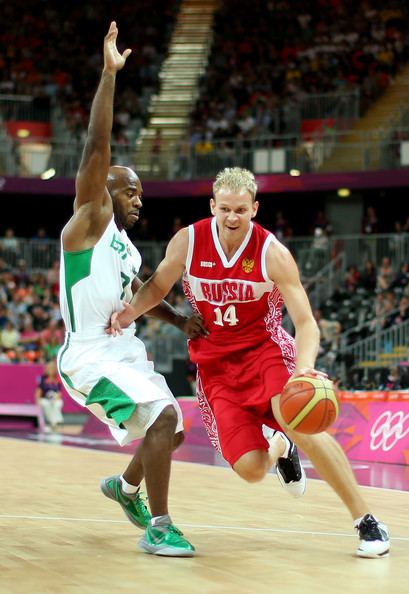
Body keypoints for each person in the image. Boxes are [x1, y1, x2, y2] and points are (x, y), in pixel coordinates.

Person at [109, 167, 390, 559]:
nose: (232, 217)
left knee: (302, 421)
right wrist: (128, 313)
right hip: (216, 368)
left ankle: (366, 521)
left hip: (265, 353)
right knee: (252, 469)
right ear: (213, 206)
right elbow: (157, 285)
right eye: (225, 208)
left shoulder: (272, 253)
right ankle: (280, 448)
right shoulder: (188, 241)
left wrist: (303, 369)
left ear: (254, 208)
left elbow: (307, 323)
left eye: (241, 209)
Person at [57, 22, 207, 557]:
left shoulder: (126, 246)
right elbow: (96, 149)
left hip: (122, 347)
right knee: (163, 420)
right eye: (131, 190)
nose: (139, 199)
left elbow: (142, 291)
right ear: (107, 192)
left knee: (172, 429)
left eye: (142, 192)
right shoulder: (90, 220)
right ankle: (161, 526)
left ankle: (124, 489)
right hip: (89, 357)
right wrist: (108, 76)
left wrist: (180, 318)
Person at [35, 360, 64, 432]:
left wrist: (55, 398)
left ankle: (53, 423)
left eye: (51, 368)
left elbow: (59, 393)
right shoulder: (42, 378)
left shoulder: (57, 379)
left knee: (58, 403)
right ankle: (55, 422)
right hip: (44, 399)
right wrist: (37, 402)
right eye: (48, 368)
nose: (50, 370)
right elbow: (38, 392)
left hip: (55, 399)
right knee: (46, 404)